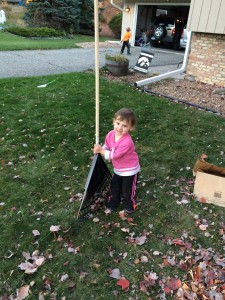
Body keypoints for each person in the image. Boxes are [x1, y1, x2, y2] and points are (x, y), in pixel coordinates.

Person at [93, 108, 140, 214]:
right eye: (118, 123)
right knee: (114, 187)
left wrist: (101, 151)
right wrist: (101, 149)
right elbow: (107, 146)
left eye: (124, 126)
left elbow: (115, 155)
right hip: (118, 169)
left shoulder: (127, 142)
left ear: (131, 127)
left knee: (127, 191)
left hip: (130, 170)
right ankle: (113, 203)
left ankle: (129, 204)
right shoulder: (110, 134)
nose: (120, 127)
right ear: (113, 121)